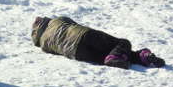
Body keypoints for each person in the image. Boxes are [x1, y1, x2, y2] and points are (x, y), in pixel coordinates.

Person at [31, 16, 165, 69]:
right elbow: (73, 23)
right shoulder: (57, 20)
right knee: (122, 43)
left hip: (76, 53)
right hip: (84, 36)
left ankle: (137, 57)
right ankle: (141, 57)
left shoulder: (43, 45)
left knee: (107, 56)